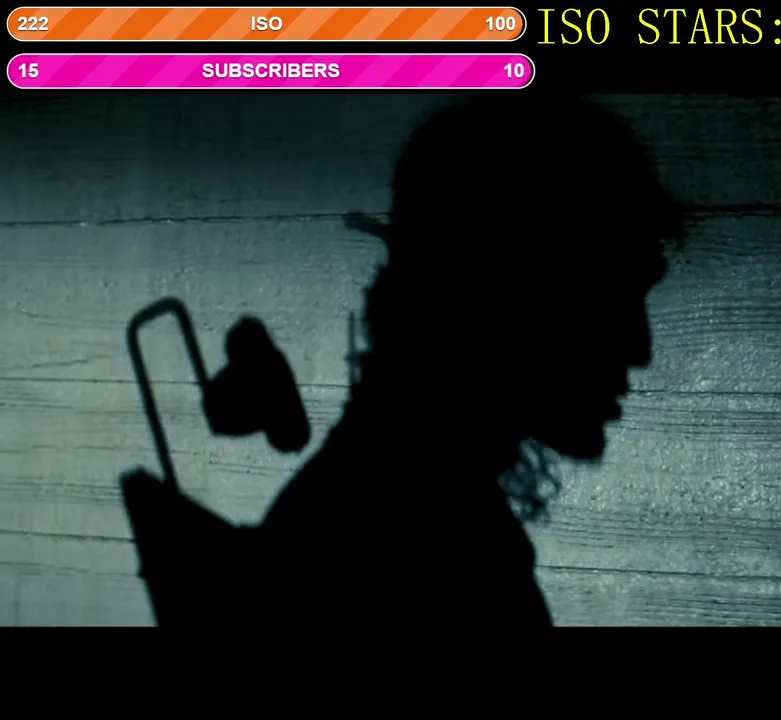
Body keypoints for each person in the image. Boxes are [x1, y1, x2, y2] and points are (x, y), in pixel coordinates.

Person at [120, 93, 684, 627]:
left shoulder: (380, 506)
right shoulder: (433, 549)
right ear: (499, 293)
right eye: (609, 297)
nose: (640, 350)